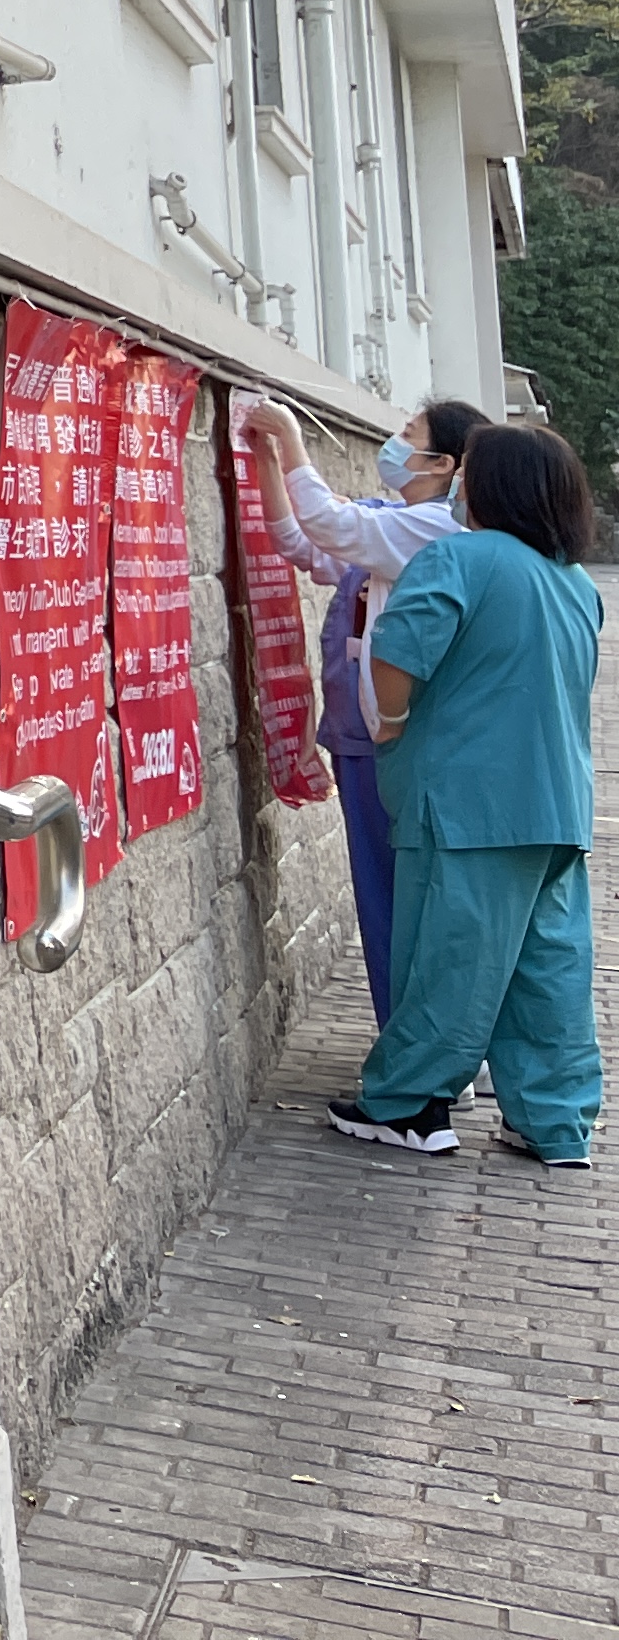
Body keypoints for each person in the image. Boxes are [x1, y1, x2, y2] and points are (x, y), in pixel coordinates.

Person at [325, 421, 603, 1168]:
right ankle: (555, 1122)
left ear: (493, 485)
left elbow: (396, 653)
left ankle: (410, 1105)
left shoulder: (459, 558)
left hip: (467, 802)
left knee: (448, 957)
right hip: (556, 806)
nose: (458, 485)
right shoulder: (575, 584)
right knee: (548, 967)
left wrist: (393, 724)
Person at [240, 395, 486, 1024]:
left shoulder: (435, 530)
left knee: (410, 895)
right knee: (381, 892)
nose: (394, 442)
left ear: (443, 463)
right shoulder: (389, 520)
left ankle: (423, 1041)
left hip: (406, 738)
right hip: (363, 734)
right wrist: (267, 459)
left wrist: (291, 436)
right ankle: (404, 1035)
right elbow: (303, 540)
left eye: (409, 434)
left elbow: (331, 525)